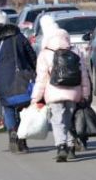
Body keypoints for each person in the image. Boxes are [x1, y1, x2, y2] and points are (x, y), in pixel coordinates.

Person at [30, 23, 90, 162]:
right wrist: (85, 94)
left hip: (54, 93)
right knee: (69, 119)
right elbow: (84, 76)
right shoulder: (76, 51)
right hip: (73, 92)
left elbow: (41, 79)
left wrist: (36, 98)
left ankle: (61, 147)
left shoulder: (45, 54)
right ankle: (71, 147)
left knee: (58, 120)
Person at [0, 10, 37, 153]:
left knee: (9, 108)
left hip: (3, 82)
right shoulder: (18, 37)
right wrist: (36, 72)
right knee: (24, 109)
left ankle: (12, 132)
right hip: (22, 80)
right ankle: (22, 139)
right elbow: (31, 55)